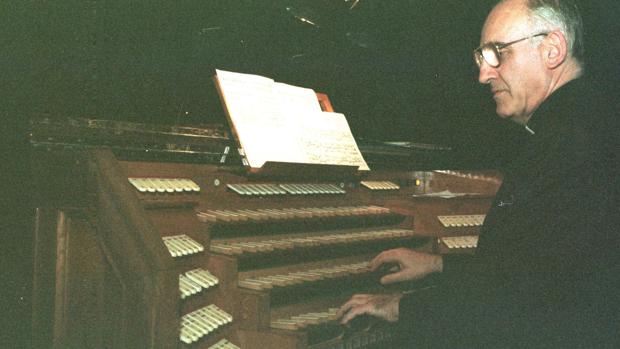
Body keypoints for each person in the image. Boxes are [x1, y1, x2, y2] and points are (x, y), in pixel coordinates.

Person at [338, 0, 619, 347]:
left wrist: (403, 307)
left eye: (498, 53)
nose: (484, 74)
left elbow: (523, 301)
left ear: (552, 50)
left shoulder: (573, 146)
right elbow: (539, 266)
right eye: (482, 58)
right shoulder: (580, 125)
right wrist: (440, 265)